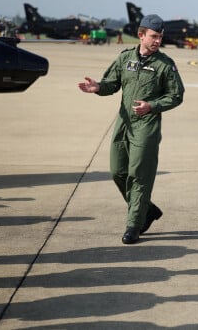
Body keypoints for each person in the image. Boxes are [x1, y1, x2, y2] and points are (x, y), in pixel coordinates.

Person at [78, 14, 185, 245]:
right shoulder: (125, 58)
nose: (157, 41)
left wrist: (152, 106)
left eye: (160, 37)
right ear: (141, 35)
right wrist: (98, 87)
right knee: (117, 171)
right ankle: (147, 209)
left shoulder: (164, 65)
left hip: (146, 126)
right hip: (123, 124)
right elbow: (111, 84)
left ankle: (133, 225)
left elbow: (176, 96)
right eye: (153, 36)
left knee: (139, 176)